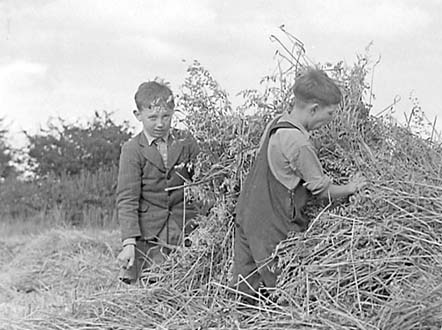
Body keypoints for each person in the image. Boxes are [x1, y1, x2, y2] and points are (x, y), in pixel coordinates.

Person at [232, 68, 367, 301]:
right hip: (271, 227)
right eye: (330, 113)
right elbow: (323, 191)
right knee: (286, 293)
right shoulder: (299, 142)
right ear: (314, 108)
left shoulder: (276, 124)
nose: (330, 120)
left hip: (246, 216)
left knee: (246, 293)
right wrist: (351, 187)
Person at [116, 80, 200, 284]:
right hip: (149, 232)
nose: (160, 124)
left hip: (184, 226)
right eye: (152, 117)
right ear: (138, 115)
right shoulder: (132, 149)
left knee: (187, 283)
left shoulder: (186, 141)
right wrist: (129, 242)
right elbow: (127, 199)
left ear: (173, 112)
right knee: (152, 286)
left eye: (166, 116)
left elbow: (202, 182)